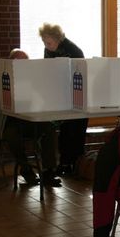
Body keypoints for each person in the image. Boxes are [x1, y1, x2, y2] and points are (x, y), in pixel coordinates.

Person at [0, 49, 61, 187]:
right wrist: (3, 92)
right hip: (6, 122)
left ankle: (49, 171)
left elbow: (42, 101)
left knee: (49, 128)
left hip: (28, 119)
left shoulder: (31, 80)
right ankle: (26, 169)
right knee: (13, 135)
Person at [39, 23, 88, 175]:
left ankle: (74, 165)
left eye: (48, 42)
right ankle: (64, 163)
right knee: (65, 133)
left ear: (57, 39)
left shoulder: (73, 50)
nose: (46, 46)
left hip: (77, 97)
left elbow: (79, 74)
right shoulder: (49, 50)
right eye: (44, 43)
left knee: (75, 132)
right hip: (61, 97)